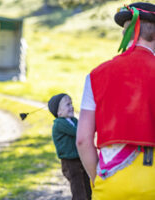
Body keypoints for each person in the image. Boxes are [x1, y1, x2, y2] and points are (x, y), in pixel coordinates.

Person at [76, 2, 155, 200]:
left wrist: (98, 180)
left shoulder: (95, 76)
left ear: (126, 34)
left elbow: (83, 140)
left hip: (110, 184)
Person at [48, 93, 91, 200]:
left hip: (79, 158)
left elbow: (81, 127)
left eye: (71, 104)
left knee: (86, 183)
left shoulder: (73, 121)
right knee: (77, 187)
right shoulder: (60, 123)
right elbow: (78, 132)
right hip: (69, 161)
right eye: (67, 105)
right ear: (58, 112)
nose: (71, 107)